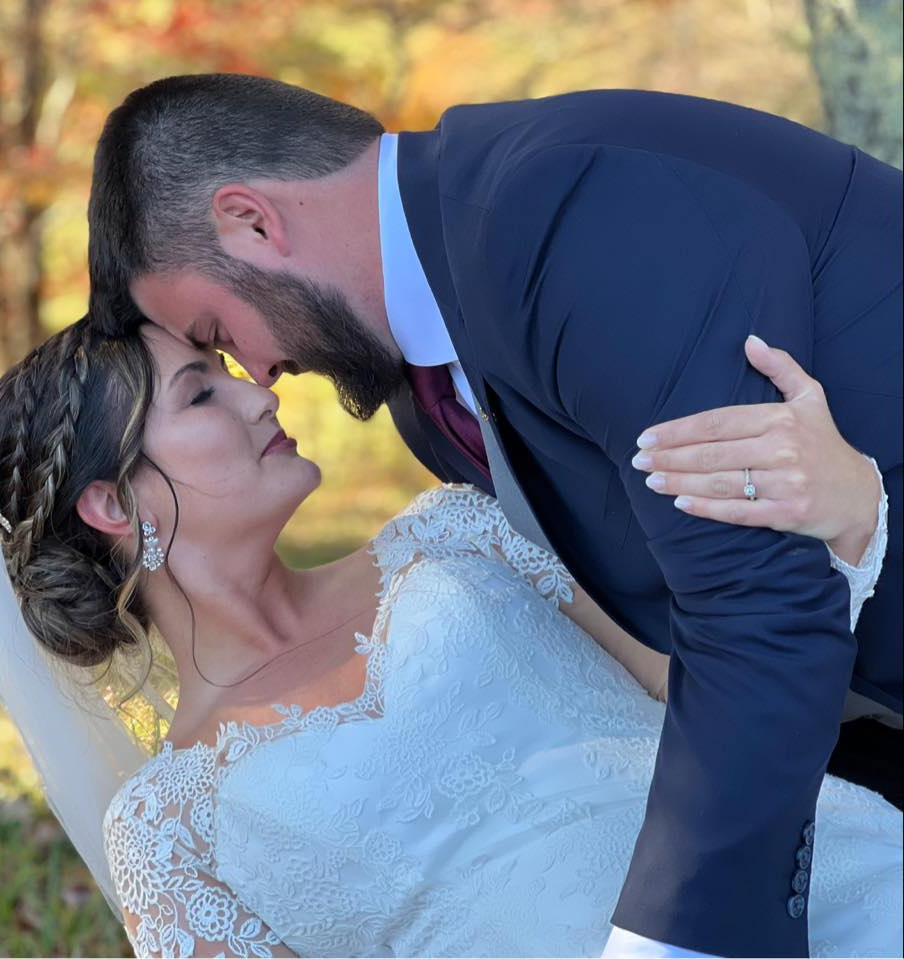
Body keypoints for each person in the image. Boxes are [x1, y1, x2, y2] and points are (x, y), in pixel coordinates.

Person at [86, 77, 902, 956]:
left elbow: (753, 604)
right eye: (209, 366)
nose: (260, 376)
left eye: (219, 331)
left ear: (253, 221)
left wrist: (664, 944)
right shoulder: (429, 399)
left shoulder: (561, 211)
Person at [0, 318, 901, 958]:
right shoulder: (167, 830)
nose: (263, 398)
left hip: (825, 889)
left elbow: (698, 683)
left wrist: (848, 528)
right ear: (112, 501)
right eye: (202, 393)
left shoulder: (455, 532)